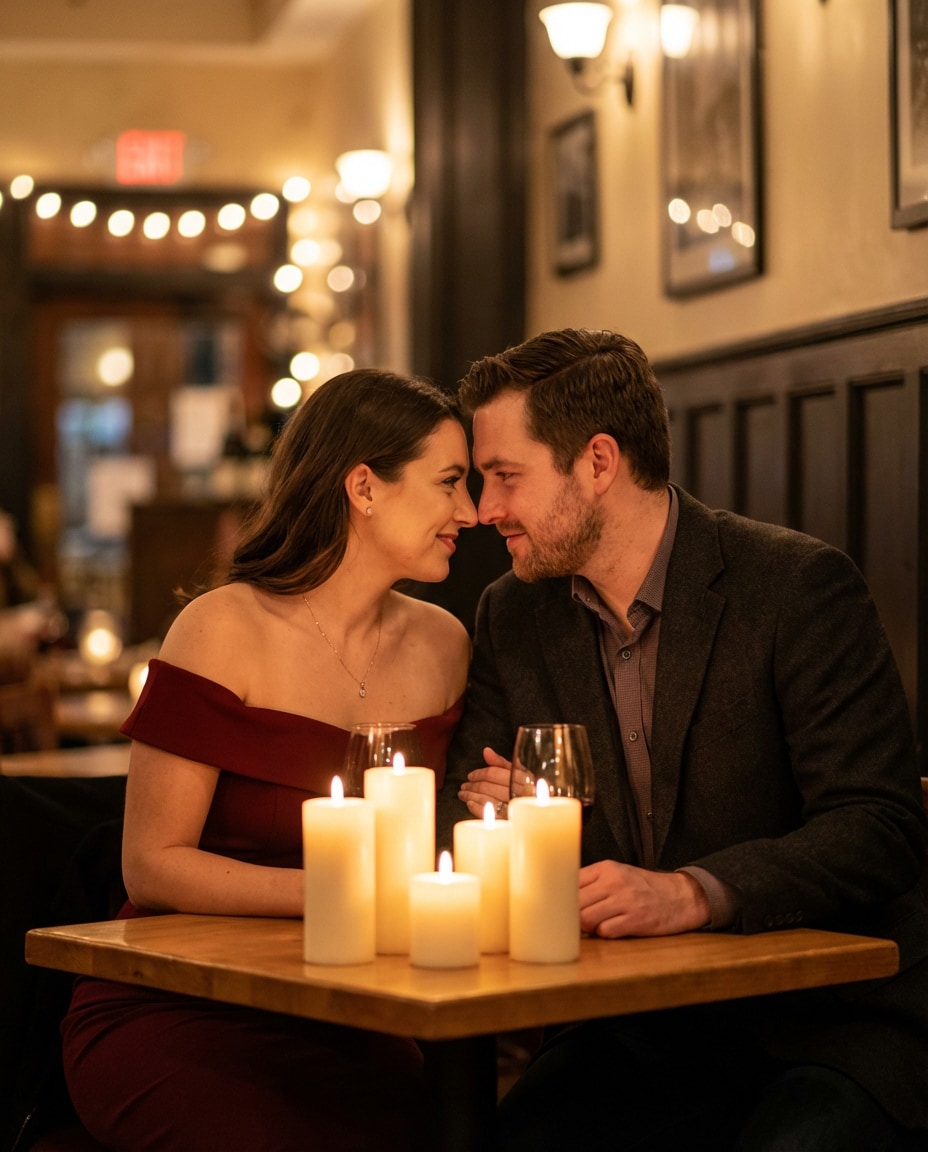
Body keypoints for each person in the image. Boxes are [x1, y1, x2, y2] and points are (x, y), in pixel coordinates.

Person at [436, 328, 928, 1152]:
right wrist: (512, 822)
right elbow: (473, 806)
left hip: (828, 1027)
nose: (485, 510)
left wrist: (696, 892)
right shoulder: (514, 615)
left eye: (505, 477)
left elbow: (878, 826)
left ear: (599, 462)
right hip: (634, 1025)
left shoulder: (795, 587)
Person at [62, 369, 478, 1152]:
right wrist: (348, 895)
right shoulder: (223, 627)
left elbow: (442, 843)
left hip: (354, 1007)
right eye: (450, 482)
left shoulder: (445, 645)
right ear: (364, 486)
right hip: (182, 1002)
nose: (473, 511)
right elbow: (150, 866)